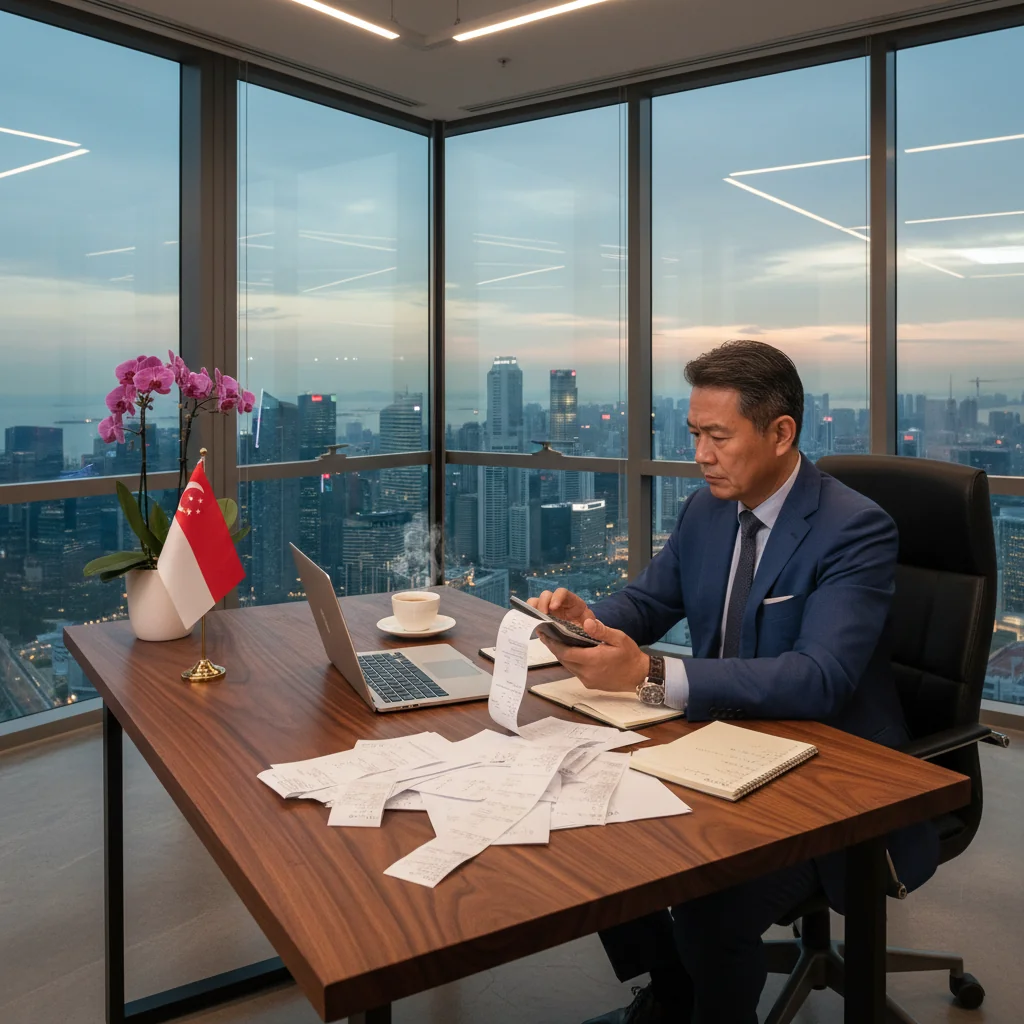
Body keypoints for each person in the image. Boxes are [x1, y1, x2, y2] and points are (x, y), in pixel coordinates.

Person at [529, 340, 938, 1024]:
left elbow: (819, 678)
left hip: (827, 775)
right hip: (715, 745)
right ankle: (675, 989)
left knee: (708, 897)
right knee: (585, 821)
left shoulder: (854, 528)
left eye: (717, 437)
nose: (700, 455)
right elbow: (652, 602)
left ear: (781, 434)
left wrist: (652, 672)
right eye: (694, 434)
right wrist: (591, 622)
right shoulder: (706, 510)